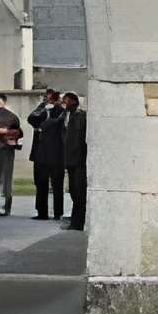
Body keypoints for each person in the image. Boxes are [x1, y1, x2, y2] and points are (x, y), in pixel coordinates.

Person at [0, 94, 25, 216]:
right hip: (8, 149)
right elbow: (20, 134)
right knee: (8, 178)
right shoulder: (13, 117)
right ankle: (8, 207)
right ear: (5, 101)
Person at [28, 89, 66, 219]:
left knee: (57, 185)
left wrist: (54, 107)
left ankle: (58, 212)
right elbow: (31, 118)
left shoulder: (61, 111)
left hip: (56, 153)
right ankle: (42, 212)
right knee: (40, 183)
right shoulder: (42, 109)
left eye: (49, 97)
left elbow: (58, 124)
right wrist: (44, 108)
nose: (47, 99)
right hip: (41, 153)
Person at [60, 92, 88, 231]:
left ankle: (78, 222)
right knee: (73, 191)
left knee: (78, 192)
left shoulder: (80, 116)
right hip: (70, 161)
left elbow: (80, 140)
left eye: (66, 101)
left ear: (74, 102)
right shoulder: (65, 116)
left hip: (78, 161)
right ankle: (75, 221)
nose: (64, 104)